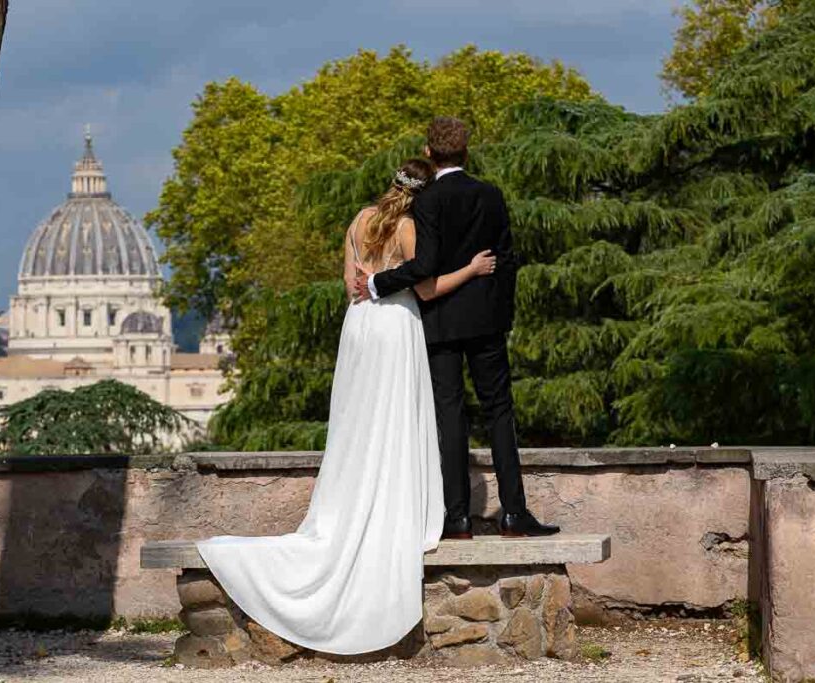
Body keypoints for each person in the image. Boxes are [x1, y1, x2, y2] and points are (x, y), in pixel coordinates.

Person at [195, 158, 498, 655]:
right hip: (395, 327)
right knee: (396, 422)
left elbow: (350, 287)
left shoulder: (358, 222)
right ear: (422, 196)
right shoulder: (409, 229)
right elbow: (423, 288)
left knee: (359, 426)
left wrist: (371, 282)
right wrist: (470, 269)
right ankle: (393, 507)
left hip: (358, 327)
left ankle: (351, 503)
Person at [354, 116, 560, 540]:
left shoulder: (425, 201)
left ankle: (457, 517)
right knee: (500, 412)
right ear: (466, 153)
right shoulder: (491, 195)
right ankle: (514, 513)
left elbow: (423, 267)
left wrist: (376, 283)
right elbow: (506, 260)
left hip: (440, 320)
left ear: (429, 153)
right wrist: (502, 314)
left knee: (450, 416)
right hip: (487, 320)